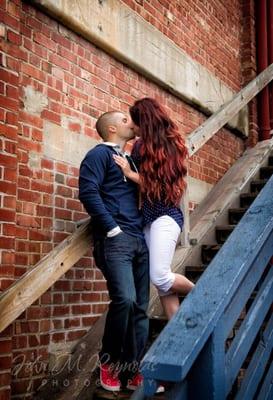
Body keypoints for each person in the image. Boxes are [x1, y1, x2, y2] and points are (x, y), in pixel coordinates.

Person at [79, 111, 150, 392]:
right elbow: (88, 192)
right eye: (124, 120)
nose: (130, 123)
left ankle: (133, 372)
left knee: (141, 309)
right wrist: (112, 228)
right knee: (126, 300)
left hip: (139, 240)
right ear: (110, 129)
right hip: (115, 240)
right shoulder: (98, 155)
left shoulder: (130, 160)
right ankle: (108, 363)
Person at [114, 98, 194, 320]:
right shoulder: (139, 146)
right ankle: (176, 340)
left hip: (166, 216)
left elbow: (159, 186)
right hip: (147, 218)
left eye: (135, 123)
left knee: (159, 276)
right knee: (163, 288)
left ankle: (204, 295)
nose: (132, 127)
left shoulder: (170, 145)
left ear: (145, 122)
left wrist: (130, 174)